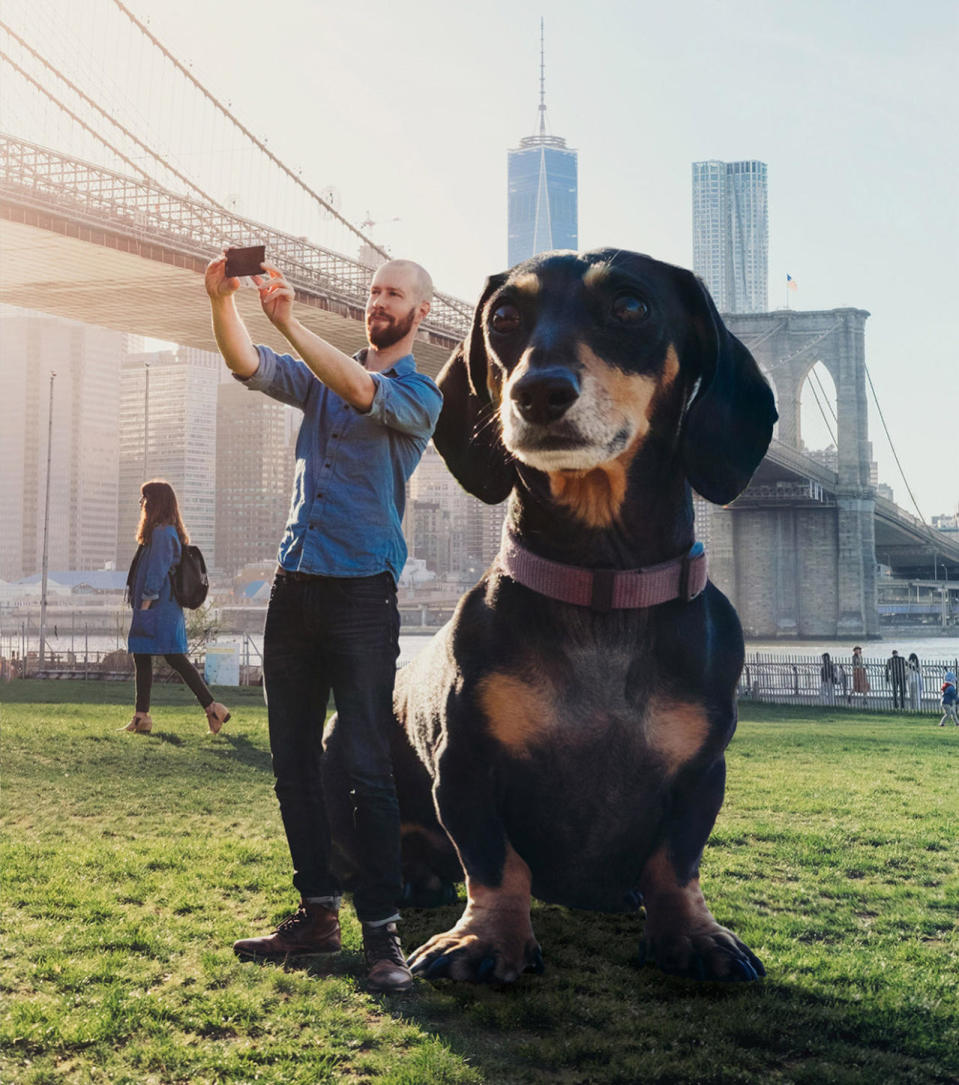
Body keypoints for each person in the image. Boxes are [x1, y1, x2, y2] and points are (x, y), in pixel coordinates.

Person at [204, 253, 441, 993]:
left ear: (420, 313)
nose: (379, 301)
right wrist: (221, 302)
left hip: (361, 596)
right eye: (373, 291)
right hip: (293, 586)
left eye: (393, 293)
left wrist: (291, 321)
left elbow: (360, 387)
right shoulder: (317, 376)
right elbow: (250, 365)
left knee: (368, 768)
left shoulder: (417, 393)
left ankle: (382, 936)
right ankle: (316, 913)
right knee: (292, 764)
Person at [123, 479, 230, 735]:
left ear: (155, 503)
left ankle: (211, 707)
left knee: (169, 656)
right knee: (149, 655)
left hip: (158, 608)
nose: (141, 503)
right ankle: (143, 717)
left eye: (145, 498)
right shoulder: (162, 532)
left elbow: (157, 572)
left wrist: (145, 606)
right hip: (160, 608)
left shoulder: (162, 533)